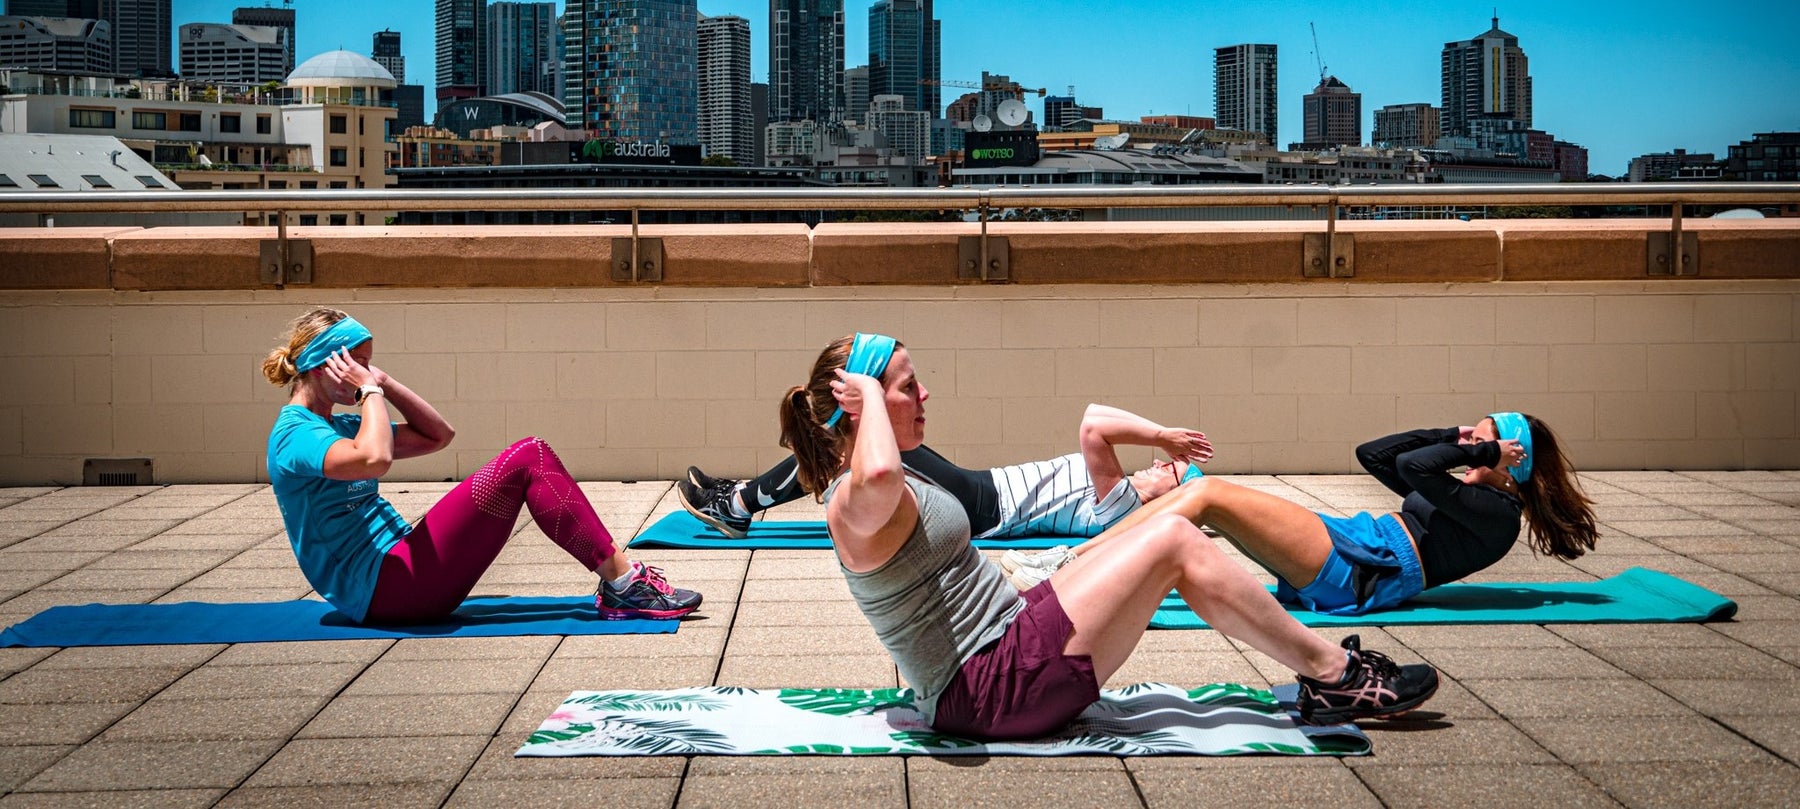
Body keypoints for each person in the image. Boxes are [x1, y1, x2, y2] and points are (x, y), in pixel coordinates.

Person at [780, 332, 1439, 738]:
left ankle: (1328, 671)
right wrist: (865, 386)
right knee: (1177, 544)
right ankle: (1334, 673)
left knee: (1170, 521)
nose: (925, 393)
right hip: (992, 688)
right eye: (905, 386)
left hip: (1012, 641)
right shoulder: (855, 499)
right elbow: (881, 470)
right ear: (862, 406)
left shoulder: (877, 485)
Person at [260, 307, 701, 625]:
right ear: (323, 367)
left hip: (403, 573)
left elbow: (439, 436)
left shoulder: (342, 425)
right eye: (358, 364)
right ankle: (624, 585)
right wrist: (370, 394)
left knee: (531, 454)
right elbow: (373, 460)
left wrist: (385, 383)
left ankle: (621, 582)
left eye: (370, 364)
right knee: (528, 456)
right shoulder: (294, 435)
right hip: (385, 592)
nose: (367, 374)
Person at [1010, 416, 1598, 616]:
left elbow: (1419, 471)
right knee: (1194, 507)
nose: (1471, 447)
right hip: (1356, 547)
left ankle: (1062, 566)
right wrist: (1455, 435)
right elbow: (1378, 456)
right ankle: (1071, 569)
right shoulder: (1474, 494)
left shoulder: (1496, 513)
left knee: (1206, 495)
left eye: (1486, 445)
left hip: (1363, 573)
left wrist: (1480, 455)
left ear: (1509, 464)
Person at [680, 405, 1212, 587]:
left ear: (1164, 499)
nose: (1165, 462)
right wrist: (1164, 440)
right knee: (854, 441)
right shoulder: (1117, 491)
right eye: (1170, 458)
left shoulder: (1118, 503)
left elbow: (1094, 421)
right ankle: (741, 501)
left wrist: (1164, 433)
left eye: (1172, 471)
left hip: (984, 509)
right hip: (979, 490)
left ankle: (738, 504)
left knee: (861, 436)